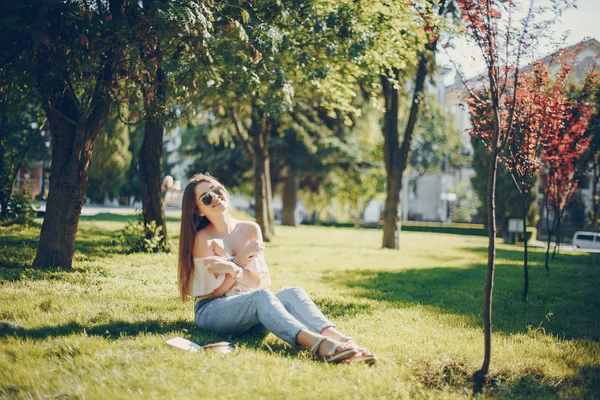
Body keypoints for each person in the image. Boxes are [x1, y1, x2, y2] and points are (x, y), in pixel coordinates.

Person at [177, 173, 376, 364]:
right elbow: (215, 292)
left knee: (292, 292)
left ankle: (344, 341)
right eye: (207, 197)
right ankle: (319, 344)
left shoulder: (250, 229)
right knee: (261, 296)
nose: (216, 197)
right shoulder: (204, 239)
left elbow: (255, 281)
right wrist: (239, 260)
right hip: (213, 311)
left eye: (217, 189)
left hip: (250, 316)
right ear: (198, 210)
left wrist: (232, 268)